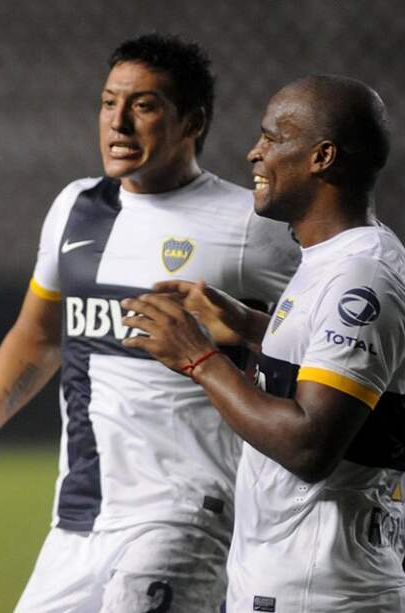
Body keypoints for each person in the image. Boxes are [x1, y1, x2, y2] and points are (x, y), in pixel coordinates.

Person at [0, 33, 300, 612]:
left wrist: (243, 328)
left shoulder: (250, 225)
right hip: (79, 520)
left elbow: (325, 345)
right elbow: (38, 337)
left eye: (143, 106)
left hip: (186, 511)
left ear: (192, 121)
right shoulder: (77, 207)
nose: (118, 123)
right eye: (108, 102)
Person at [123, 75, 405, 612]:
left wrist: (199, 359)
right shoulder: (331, 258)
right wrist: (252, 328)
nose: (255, 153)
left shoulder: (361, 276)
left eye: (274, 138)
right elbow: (330, 373)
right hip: (293, 581)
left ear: (322, 157)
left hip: (322, 591)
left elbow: (309, 445)